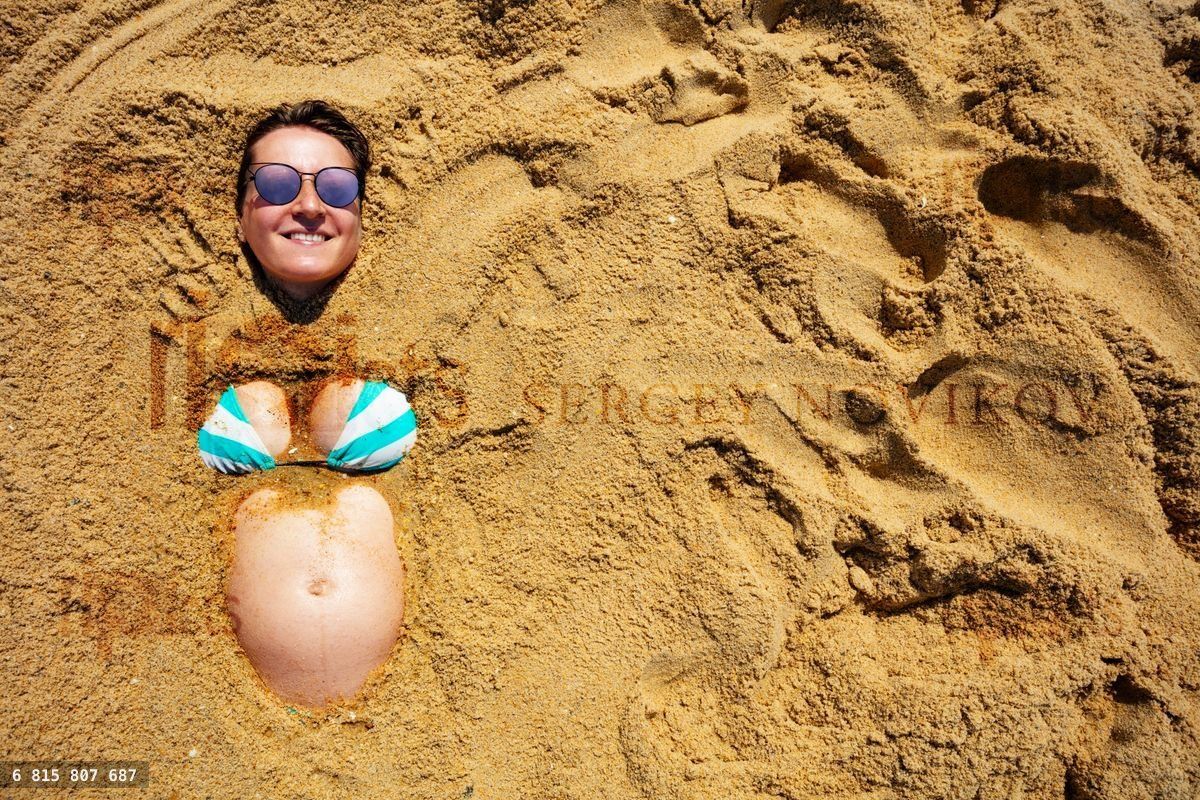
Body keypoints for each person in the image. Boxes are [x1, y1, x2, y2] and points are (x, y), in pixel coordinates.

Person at [198, 100, 413, 709]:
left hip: (421, 733)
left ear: (362, 216)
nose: (310, 205)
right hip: (218, 731)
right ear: (240, 215)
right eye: (276, 182)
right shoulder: (170, 327)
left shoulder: (430, 330)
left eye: (338, 187)